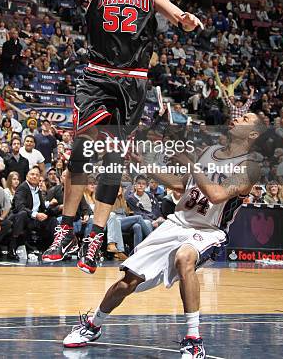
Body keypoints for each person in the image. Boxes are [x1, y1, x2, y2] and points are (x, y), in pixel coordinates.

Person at [23, 0, 203, 274]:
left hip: (134, 84)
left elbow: (177, 15)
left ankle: (94, 238)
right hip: (98, 75)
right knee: (84, 151)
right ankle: (66, 227)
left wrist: (187, 20)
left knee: (112, 162)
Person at [63, 112, 264, 357]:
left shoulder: (250, 166)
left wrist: (190, 163)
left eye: (245, 119)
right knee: (128, 281)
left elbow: (217, 195)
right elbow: (182, 184)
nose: (236, 118)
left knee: (185, 258)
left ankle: (193, 340)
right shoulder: (210, 151)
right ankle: (93, 325)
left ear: (253, 134)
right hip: (176, 223)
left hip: (208, 231)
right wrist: (143, 164)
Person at [9, 167, 57, 253]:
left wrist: (52, 211)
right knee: (22, 214)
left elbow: (43, 208)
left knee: (52, 220)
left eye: (37, 175)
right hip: (23, 217)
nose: (34, 176)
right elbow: (19, 207)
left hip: (34, 218)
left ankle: (52, 248)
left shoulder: (37, 190)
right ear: (27, 177)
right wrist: (36, 215)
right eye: (32, 174)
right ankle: (15, 246)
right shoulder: (22, 188)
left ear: (39, 178)